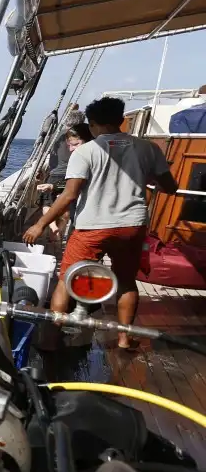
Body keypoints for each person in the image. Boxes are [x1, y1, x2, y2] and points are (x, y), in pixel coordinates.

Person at [23, 96, 178, 349]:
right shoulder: (148, 149)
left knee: (66, 279)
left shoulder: (86, 151)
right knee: (127, 281)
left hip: (92, 226)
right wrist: (148, 177)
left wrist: (40, 224)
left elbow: (70, 194)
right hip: (132, 225)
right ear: (121, 120)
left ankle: (51, 338)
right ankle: (124, 339)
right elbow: (170, 187)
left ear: (92, 124)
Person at [37, 122, 94, 237]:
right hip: (84, 216)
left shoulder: (88, 159)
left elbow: (72, 190)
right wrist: (54, 187)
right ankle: (59, 233)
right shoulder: (83, 156)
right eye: (69, 146)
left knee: (48, 204)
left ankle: (55, 231)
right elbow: (75, 183)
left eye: (75, 144)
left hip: (91, 220)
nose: (71, 149)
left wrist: (39, 225)